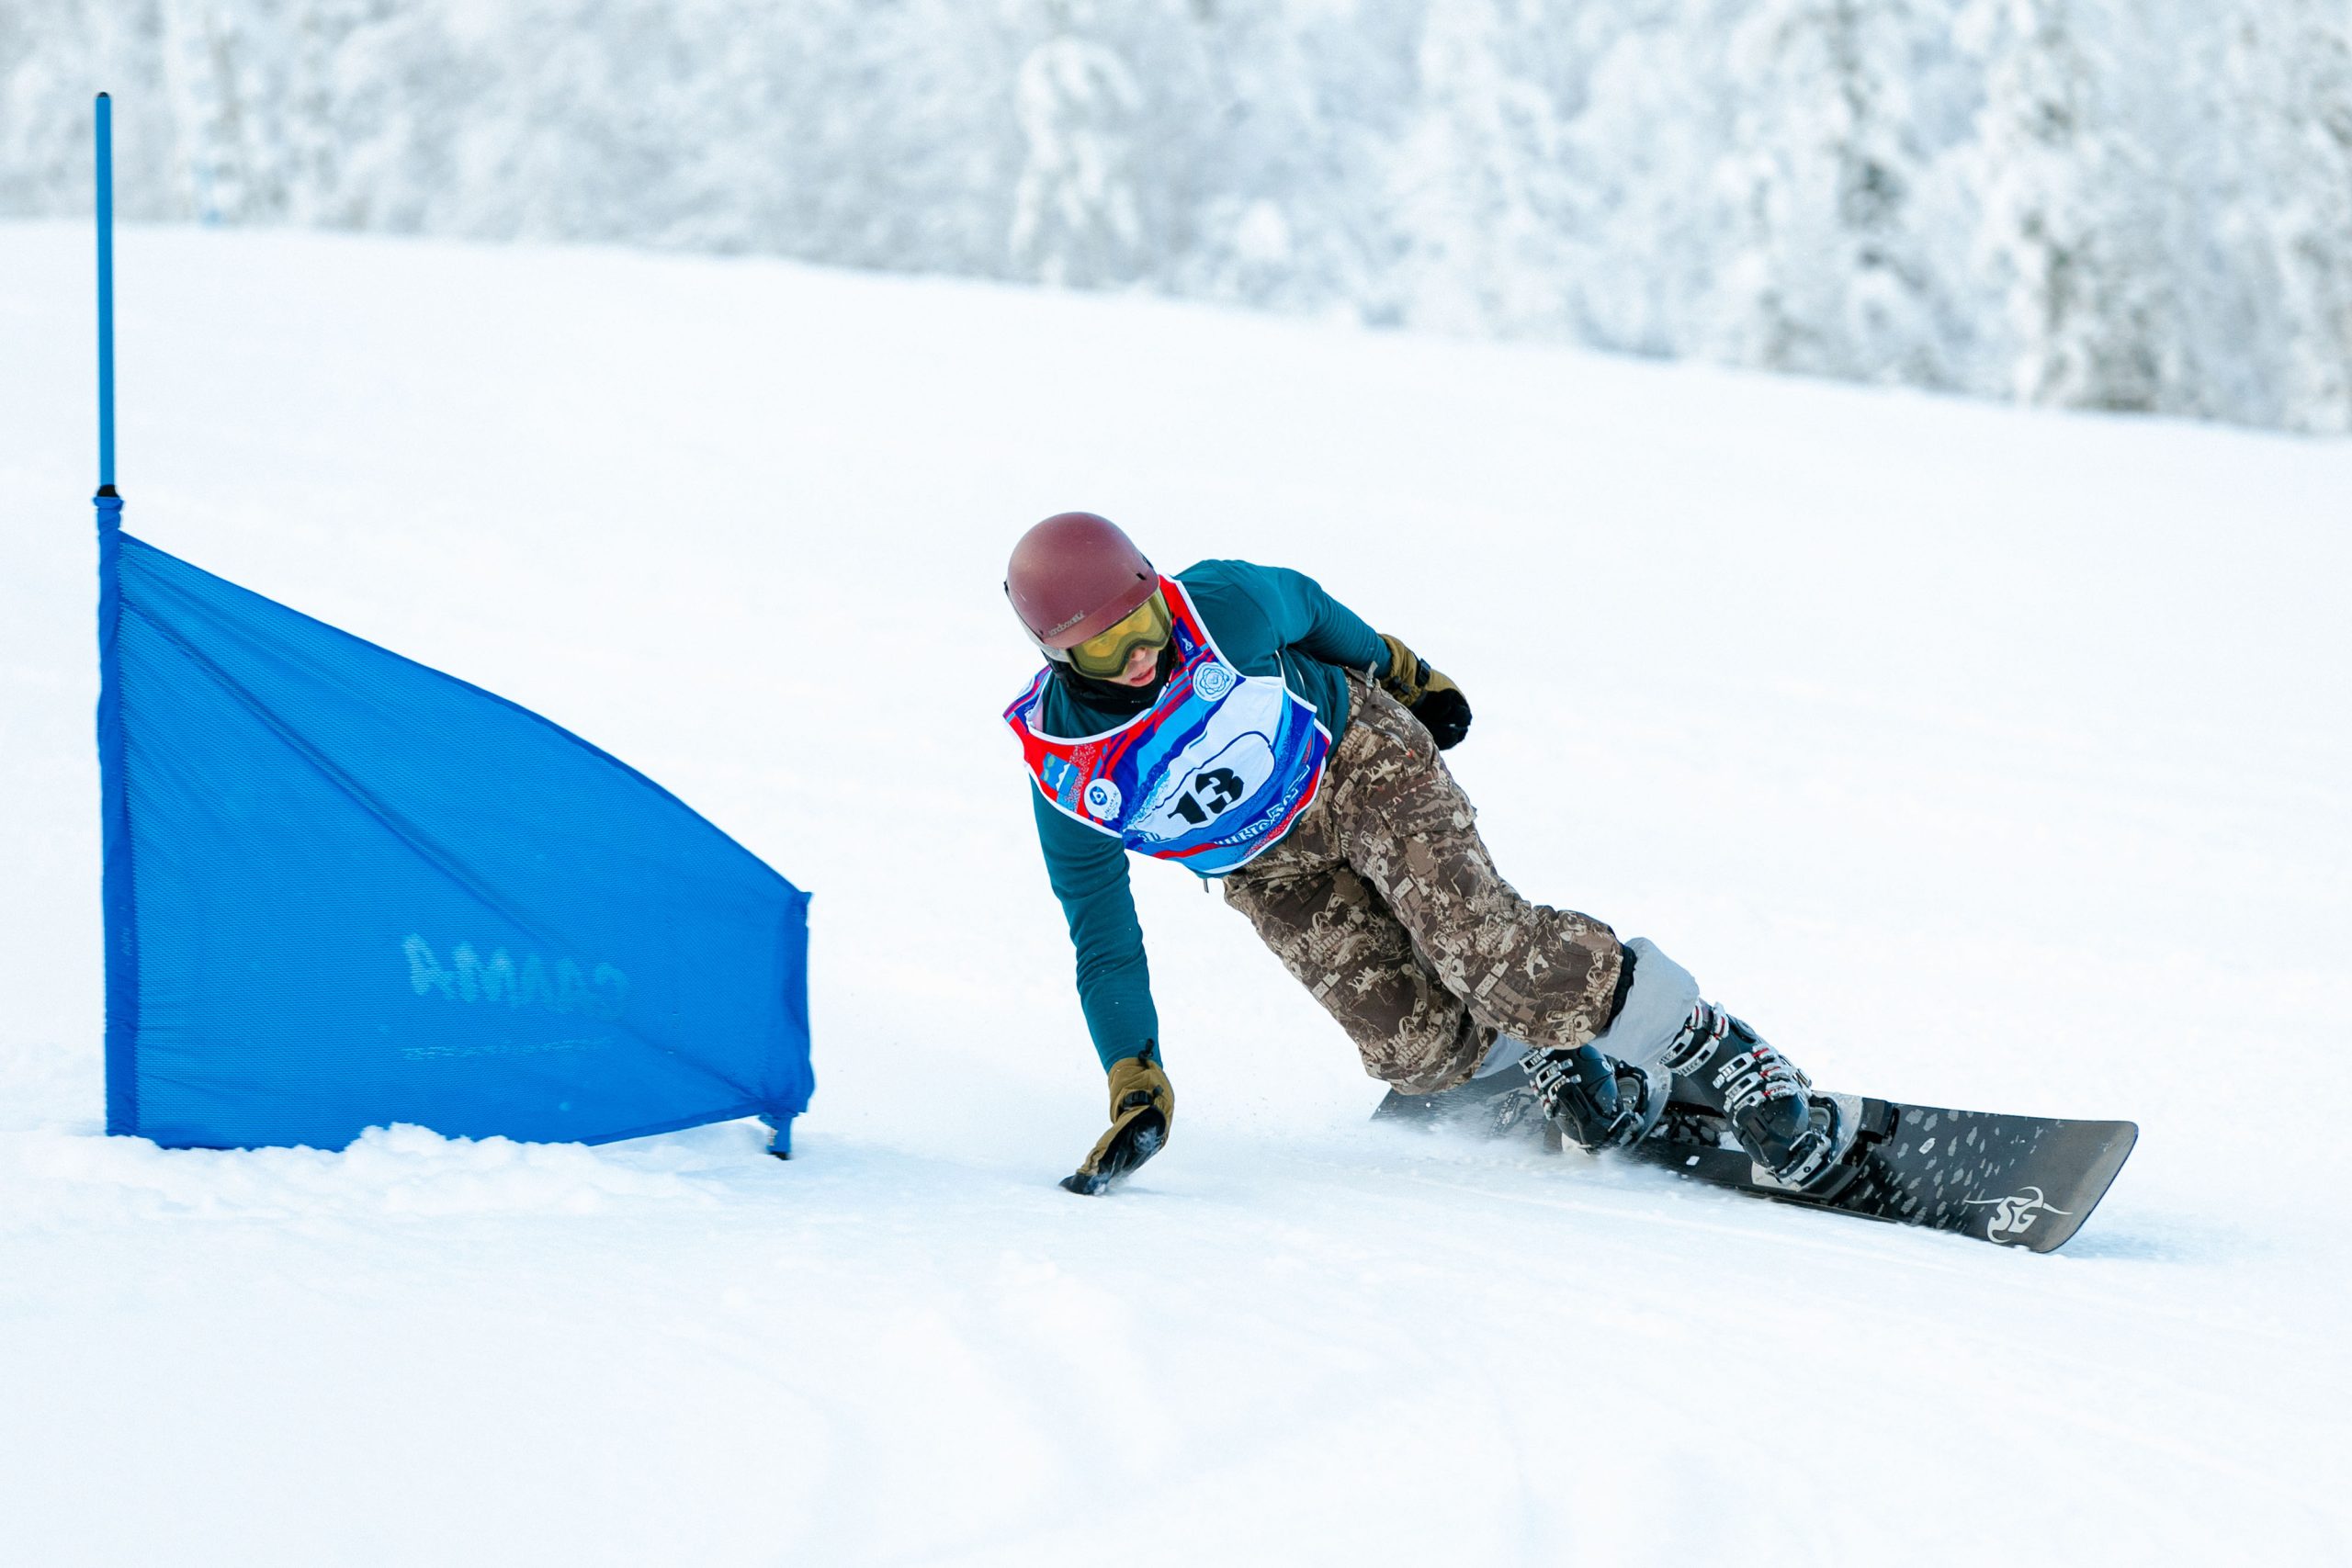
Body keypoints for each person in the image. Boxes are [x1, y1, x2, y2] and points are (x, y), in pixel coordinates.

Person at [1002, 512, 1854, 1195]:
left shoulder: (1220, 606)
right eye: (1107, 648)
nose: (1143, 651)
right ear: (1058, 654)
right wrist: (1134, 1075)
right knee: (1418, 1055)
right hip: (1269, 866)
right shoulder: (1071, 774)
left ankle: (1721, 1049)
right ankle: (1553, 1051)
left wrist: (1405, 671)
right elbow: (1104, 943)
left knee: (1497, 960)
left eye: (1143, 619)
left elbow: (1308, 606)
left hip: (1355, 762)